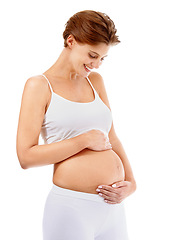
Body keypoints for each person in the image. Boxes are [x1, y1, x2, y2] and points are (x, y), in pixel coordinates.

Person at [16, 10, 136, 240]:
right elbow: (26, 157)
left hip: (113, 210)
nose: (97, 65)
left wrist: (131, 182)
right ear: (71, 41)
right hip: (71, 209)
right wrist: (83, 141)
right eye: (92, 55)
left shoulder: (95, 81)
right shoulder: (39, 86)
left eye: (102, 58)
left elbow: (112, 137)